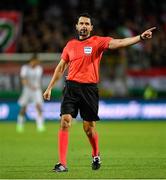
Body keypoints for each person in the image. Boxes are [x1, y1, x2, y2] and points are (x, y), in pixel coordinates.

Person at [43, 13, 156, 172]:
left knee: (89, 128)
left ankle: (96, 154)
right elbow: (61, 67)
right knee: (65, 121)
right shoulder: (70, 45)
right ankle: (62, 163)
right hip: (71, 87)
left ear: (91, 27)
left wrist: (140, 38)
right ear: (76, 26)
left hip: (89, 89)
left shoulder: (97, 41)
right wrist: (49, 88)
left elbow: (120, 42)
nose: (83, 26)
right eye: (81, 23)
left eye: (86, 24)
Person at [16, 56, 45, 133]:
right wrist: (30, 86)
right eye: (34, 61)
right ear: (31, 61)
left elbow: (38, 80)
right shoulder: (25, 68)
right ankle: (20, 124)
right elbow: (23, 80)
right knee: (23, 108)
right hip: (27, 90)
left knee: (39, 106)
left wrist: (39, 88)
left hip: (36, 90)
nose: (36, 63)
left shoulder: (39, 68)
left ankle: (40, 126)